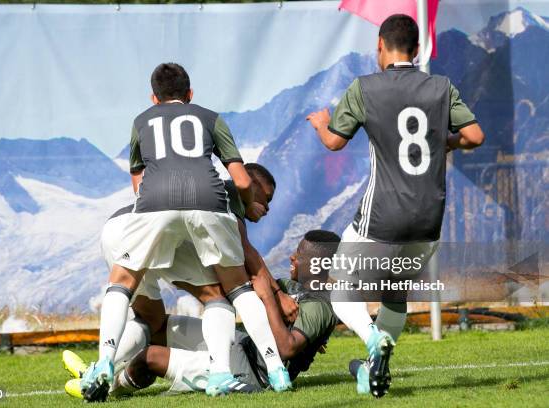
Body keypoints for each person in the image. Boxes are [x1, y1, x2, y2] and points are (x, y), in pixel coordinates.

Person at [82, 63, 291, 401]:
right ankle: (270, 370)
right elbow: (240, 181)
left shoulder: (141, 122)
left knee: (121, 283)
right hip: (208, 202)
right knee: (228, 291)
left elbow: (138, 185)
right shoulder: (210, 117)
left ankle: (105, 362)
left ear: (154, 97)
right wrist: (247, 201)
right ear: (190, 94)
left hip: (152, 207)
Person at [306, 14, 484, 398]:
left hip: (382, 216)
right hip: (428, 220)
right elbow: (475, 135)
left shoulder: (366, 87)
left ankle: (372, 340)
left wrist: (321, 123)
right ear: (417, 50)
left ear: (380, 48)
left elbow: (334, 143)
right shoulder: (440, 86)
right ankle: (374, 369)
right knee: (395, 292)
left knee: (340, 288)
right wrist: (449, 143)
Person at [63, 230, 340, 399]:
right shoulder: (295, 287)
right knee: (159, 328)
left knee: (150, 358)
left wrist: (269, 297)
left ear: (319, 263)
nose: (292, 257)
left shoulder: (321, 303)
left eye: (299, 255)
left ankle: (101, 387)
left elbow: (285, 348)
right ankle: (94, 369)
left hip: (253, 373)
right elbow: (258, 280)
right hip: (242, 343)